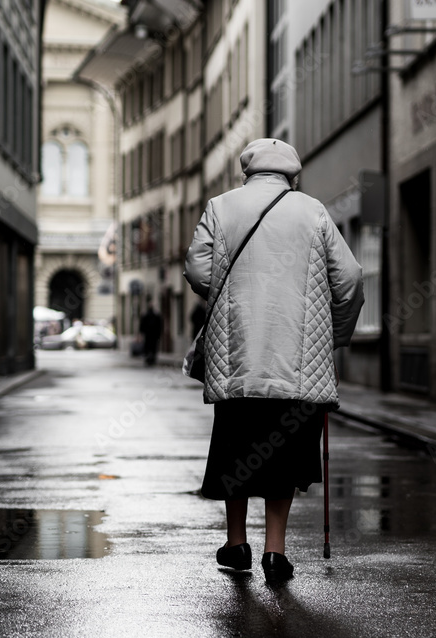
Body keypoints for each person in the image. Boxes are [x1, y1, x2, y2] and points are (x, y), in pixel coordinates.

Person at [184, 138, 364, 582]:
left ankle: (236, 542)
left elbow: (198, 270)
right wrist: (334, 336)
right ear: (292, 173)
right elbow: (350, 280)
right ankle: (275, 553)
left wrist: (232, 291)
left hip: (238, 356)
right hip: (297, 362)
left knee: (237, 452)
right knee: (281, 456)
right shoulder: (313, 210)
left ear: (246, 171)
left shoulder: (221, 206)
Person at [139, 299, 163, 365]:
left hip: (150, 335)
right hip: (152, 335)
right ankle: (151, 358)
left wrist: (142, 333)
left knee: (150, 347)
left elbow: (142, 326)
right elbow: (159, 326)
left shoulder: (148, 315)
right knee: (152, 347)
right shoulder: (153, 315)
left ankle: (150, 358)